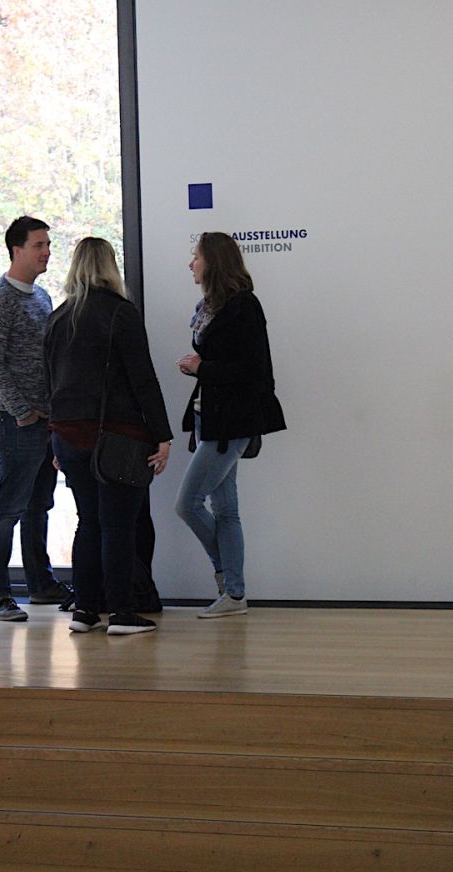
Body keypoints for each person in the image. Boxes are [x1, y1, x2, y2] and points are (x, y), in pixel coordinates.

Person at [44, 237, 172, 635]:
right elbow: (143, 379)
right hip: (118, 435)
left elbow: (49, 383)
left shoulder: (59, 317)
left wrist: (54, 440)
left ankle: (84, 610)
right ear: (110, 266)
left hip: (68, 435)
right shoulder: (121, 313)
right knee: (119, 526)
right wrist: (162, 435)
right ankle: (121, 613)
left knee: (89, 522)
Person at [175, 231, 286, 618]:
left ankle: (227, 577)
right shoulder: (209, 307)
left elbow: (254, 371)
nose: (191, 264)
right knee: (225, 509)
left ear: (215, 262)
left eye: (197, 256)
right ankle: (234, 595)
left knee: (187, 504)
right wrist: (200, 368)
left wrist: (202, 367)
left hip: (231, 423)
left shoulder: (243, 306)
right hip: (210, 417)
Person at [0, 215, 71, 622]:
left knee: (40, 505)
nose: (47, 251)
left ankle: (41, 583)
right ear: (16, 250)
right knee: (9, 508)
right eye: (39, 245)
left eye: (48, 244)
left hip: (46, 421)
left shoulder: (43, 297)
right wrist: (22, 411)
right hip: (16, 421)